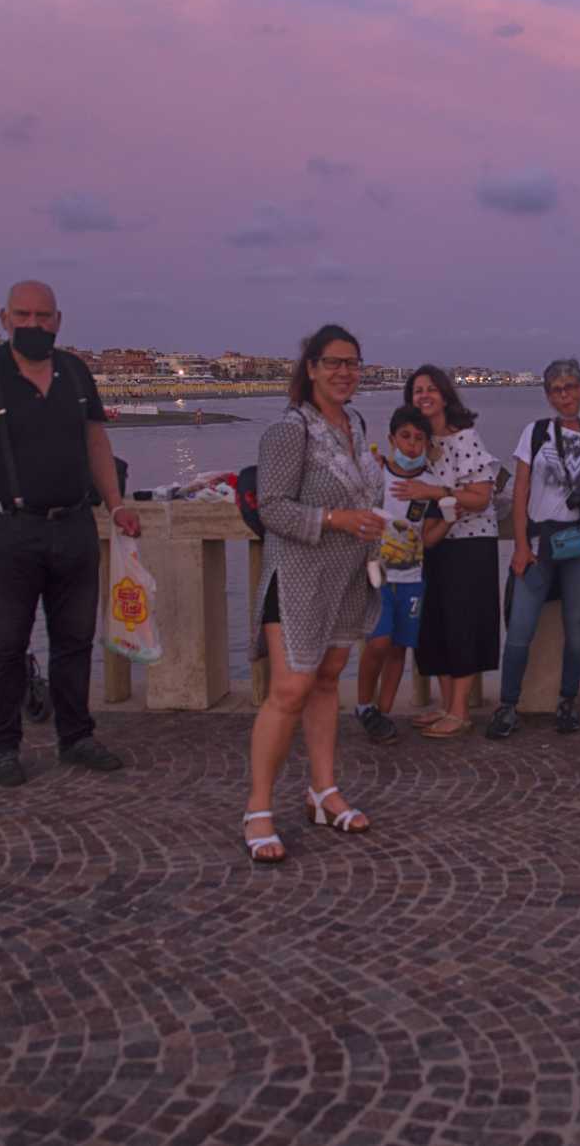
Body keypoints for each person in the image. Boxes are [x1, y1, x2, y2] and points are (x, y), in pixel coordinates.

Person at [0, 279, 139, 787]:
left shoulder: (74, 372)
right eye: (22, 315)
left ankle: (76, 737)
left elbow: (96, 442)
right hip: (6, 530)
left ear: (58, 320)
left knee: (75, 640)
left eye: (42, 316)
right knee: (6, 642)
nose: (33, 324)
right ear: (4, 319)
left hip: (73, 526)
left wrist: (115, 505)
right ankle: (3, 746)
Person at [240, 325, 386, 865]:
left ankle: (323, 791)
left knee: (327, 681)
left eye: (353, 363)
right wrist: (334, 517)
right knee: (291, 689)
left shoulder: (357, 424)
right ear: (311, 368)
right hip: (298, 577)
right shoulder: (288, 431)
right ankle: (258, 807)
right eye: (333, 363)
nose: (345, 372)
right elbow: (270, 507)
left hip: (346, 575)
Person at [488, 359, 580, 739]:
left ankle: (567, 699)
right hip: (537, 546)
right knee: (520, 628)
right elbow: (519, 491)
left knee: (577, 628)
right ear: (548, 395)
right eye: (557, 389)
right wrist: (520, 545)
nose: (565, 395)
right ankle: (507, 704)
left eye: (571, 386)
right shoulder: (534, 434)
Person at [402, 366, 498, 739]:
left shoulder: (465, 439)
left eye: (430, 389)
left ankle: (460, 711)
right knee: (435, 625)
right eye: (417, 391)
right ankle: (445, 705)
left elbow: (481, 496)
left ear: (444, 396)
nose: (423, 395)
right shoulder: (418, 447)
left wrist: (436, 494)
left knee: (463, 625)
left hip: (470, 545)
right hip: (433, 544)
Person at [352, 407, 452, 744]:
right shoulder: (376, 476)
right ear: (392, 438)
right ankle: (364, 705)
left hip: (413, 579)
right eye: (405, 437)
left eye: (419, 439)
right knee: (377, 642)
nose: (411, 446)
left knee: (398, 648)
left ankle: (383, 712)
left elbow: (427, 538)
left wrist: (449, 518)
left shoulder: (431, 484)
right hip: (376, 576)